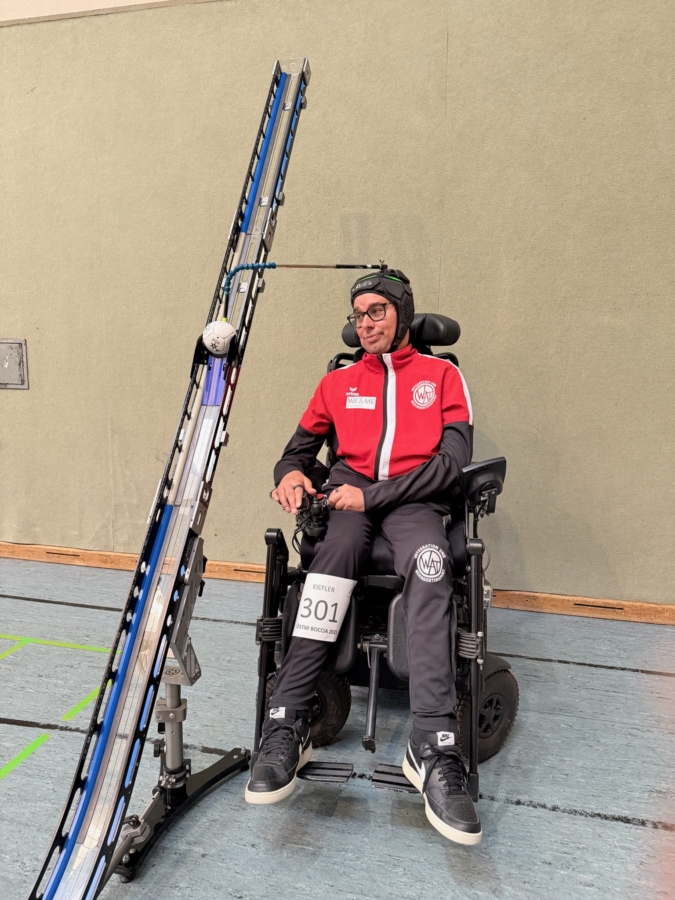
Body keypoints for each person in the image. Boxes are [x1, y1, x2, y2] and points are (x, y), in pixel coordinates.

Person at [244, 269, 481, 845]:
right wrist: (293, 476)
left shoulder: (442, 375)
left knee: (430, 565)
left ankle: (433, 744)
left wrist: (374, 494)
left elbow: (451, 464)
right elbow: (294, 453)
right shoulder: (339, 382)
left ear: (403, 312)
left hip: (414, 502)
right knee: (328, 561)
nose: (366, 322)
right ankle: (287, 720)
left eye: (377, 311)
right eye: (358, 315)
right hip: (347, 505)